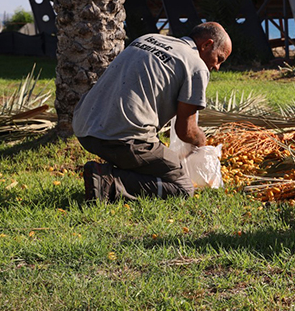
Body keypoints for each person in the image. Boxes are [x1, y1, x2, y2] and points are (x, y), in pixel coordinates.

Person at [74, 22, 232, 202]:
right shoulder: (197, 66)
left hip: (84, 127)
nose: (217, 67)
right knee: (182, 187)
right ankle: (109, 182)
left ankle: (118, 170)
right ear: (207, 45)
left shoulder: (147, 38)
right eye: (219, 59)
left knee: (155, 158)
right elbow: (185, 131)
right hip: (121, 140)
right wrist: (202, 144)